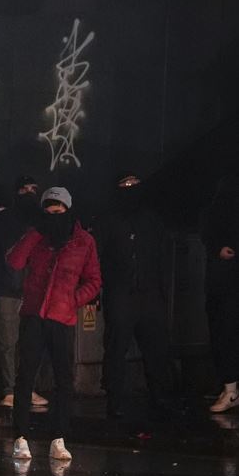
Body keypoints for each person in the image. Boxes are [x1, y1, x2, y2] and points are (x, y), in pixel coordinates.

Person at [6, 187, 101, 461]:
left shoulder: (83, 241)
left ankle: (58, 438)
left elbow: (94, 280)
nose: (53, 218)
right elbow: (14, 261)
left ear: (68, 212)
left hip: (63, 317)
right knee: (25, 378)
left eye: (58, 213)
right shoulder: (37, 235)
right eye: (48, 212)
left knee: (64, 380)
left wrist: (73, 300)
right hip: (34, 315)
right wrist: (36, 231)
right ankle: (20, 436)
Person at [96, 173, 176, 419]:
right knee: (116, 349)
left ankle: (161, 397)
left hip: (149, 294)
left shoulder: (151, 220)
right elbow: (99, 256)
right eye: (125, 185)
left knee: (156, 349)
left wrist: (162, 291)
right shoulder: (109, 220)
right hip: (121, 293)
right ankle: (115, 400)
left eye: (134, 185)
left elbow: (162, 256)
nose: (130, 189)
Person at [0, 177, 48, 408]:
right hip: (7, 288)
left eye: (33, 188)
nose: (29, 193)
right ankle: (10, 389)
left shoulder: (41, 219)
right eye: (24, 188)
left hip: (33, 289)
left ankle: (27, 389)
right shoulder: (1, 220)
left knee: (30, 343)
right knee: (8, 342)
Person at [202, 176, 239, 413]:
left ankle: (231, 389)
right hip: (224, 282)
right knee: (224, 331)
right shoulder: (220, 202)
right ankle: (231, 388)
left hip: (224, 280)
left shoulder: (219, 200)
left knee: (225, 332)